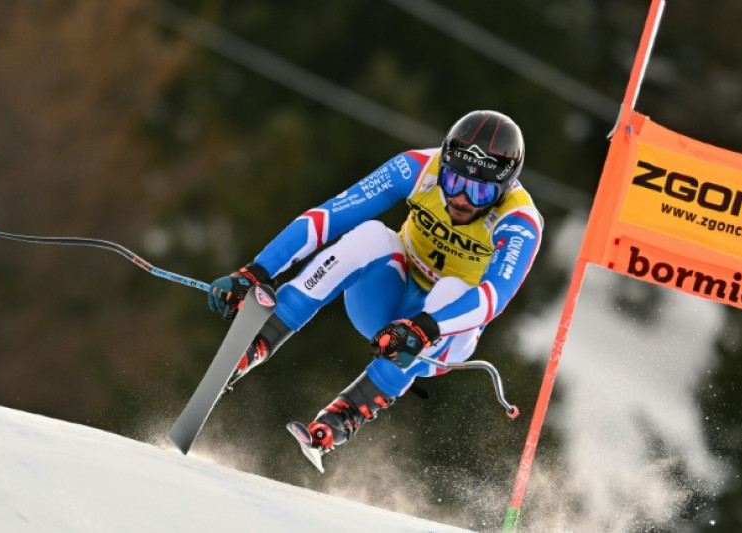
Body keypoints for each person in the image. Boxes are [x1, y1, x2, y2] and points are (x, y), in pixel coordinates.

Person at [207, 110, 543, 465]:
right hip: (385, 301)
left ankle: (348, 412)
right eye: (454, 181)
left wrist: (425, 329)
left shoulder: (520, 221)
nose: (461, 198)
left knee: (454, 289)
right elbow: (329, 217)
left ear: (504, 189)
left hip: (440, 338)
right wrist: (257, 271)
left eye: (479, 190)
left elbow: (494, 297)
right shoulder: (416, 169)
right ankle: (259, 338)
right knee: (370, 235)